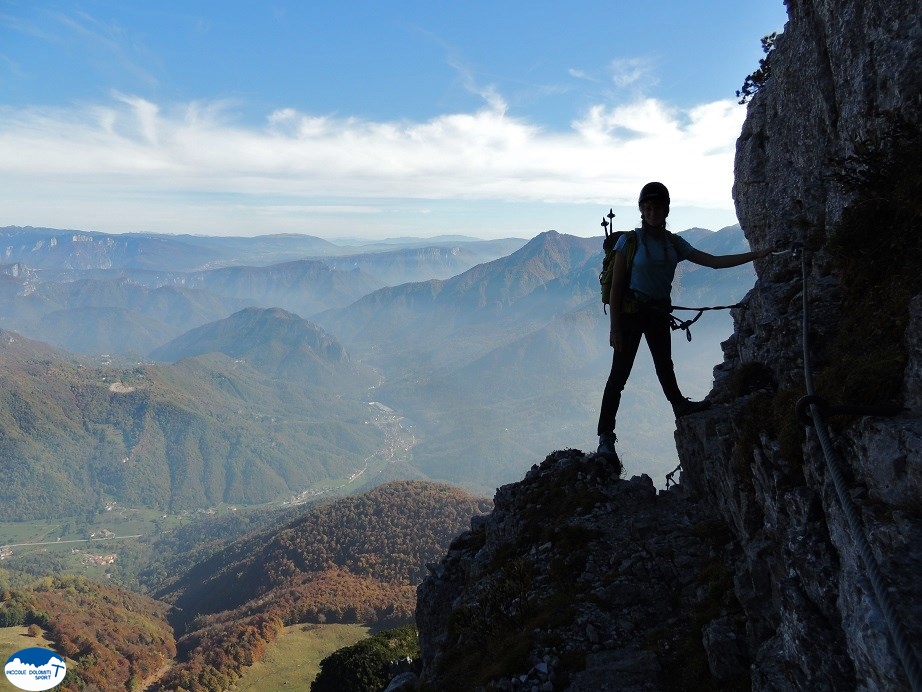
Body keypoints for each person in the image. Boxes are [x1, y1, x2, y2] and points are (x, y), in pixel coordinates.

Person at [597, 182, 772, 457]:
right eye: (648, 208)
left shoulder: (673, 243)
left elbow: (713, 262)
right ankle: (605, 436)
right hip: (630, 314)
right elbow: (617, 287)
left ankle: (678, 405)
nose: (653, 212)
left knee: (665, 365)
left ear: (666, 210)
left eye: (658, 208)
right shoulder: (629, 242)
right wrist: (615, 328)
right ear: (642, 211)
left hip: (657, 313)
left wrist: (757, 255)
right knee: (618, 376)